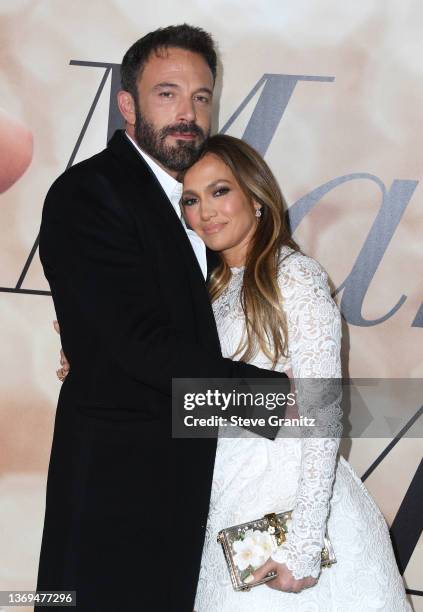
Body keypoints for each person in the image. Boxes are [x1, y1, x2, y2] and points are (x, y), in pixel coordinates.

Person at [36, 25, 287, 612]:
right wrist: (282, 401)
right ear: (127, 104)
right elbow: (137, 345)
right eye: (167, 93)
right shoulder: (88, 194)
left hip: (199, 494)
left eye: (202, 97)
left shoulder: (203, 207)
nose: (188, 114)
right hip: (114, 500)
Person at [179, 134, 412, 611]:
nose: (206, 212)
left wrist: (304, 546)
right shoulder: (211, 290)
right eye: (191, 199)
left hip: (286, 517)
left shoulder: (294, 276)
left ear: (257, 198)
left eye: (220, 191)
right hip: (225, 509)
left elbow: (321, 414)